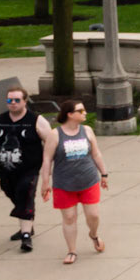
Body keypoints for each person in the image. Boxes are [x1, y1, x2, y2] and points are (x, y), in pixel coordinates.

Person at [0, 80, 52, 254]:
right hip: (6, 170)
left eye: (17, 100)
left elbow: (50, 142)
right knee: (15, 195)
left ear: (25, 101)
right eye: (10, 100)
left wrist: (49, 166)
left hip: (29, 168)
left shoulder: (36, 120)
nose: (13, 103)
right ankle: (28, 221)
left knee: (25, 192)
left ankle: (26, 236)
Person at [38, 98, 107, 264]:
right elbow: (47, 160)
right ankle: (72, 251)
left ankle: (93, 234)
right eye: (80, 111)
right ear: (69, 114)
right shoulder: (55, 135)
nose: (85, 113)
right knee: (69, 218)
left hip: (88, 180)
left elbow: (96, 154)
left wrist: (104, 174)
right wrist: (45, 182)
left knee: (93, 215)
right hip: (64, 183)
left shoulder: (87, 130)